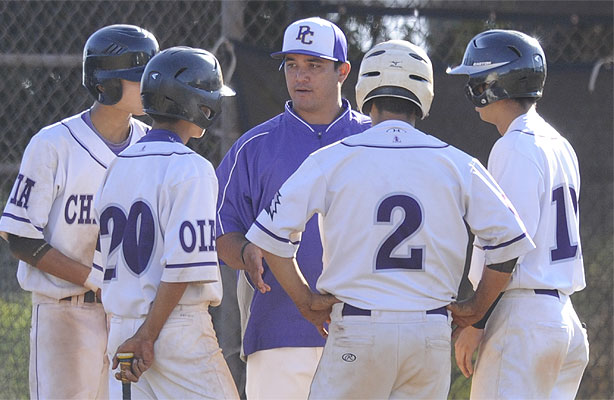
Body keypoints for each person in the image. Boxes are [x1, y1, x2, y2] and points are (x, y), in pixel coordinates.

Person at [244, 39, 536, 399]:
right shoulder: (459, 163)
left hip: (358, 324)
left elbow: (271, 238)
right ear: (424, 95)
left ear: (365, 89)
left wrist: (305, 300)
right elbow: (507, 245)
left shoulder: (332, 158)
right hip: (428, 331)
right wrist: (476, 308)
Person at [0, 24, 158, 399]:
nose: (148, 87)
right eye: (137, 79)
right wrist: (97, 279)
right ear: (105, 84)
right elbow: (21, 240)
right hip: (65, 313)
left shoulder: (152, 145)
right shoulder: (53, 144)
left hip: (131, 318)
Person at [215, 17, 371, 399]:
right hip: (277, 332)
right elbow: (219, 229)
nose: (300, 76)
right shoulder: (254, 146)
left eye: (314, 65)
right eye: (291, 64)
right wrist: (244, 250)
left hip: (366, 331)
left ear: (343, 71)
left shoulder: (374, 139)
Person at [447, 29, 589, 399]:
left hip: (522, 318)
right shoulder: (559, 143)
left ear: (493, 83)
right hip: (562, 319)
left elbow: (507, 246)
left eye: (475, 79)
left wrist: (477, 320)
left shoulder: (514, 145)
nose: (471, 89)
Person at [93, 46, 239, 399]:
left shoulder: (117, 165)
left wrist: (136, 331)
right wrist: (147, 334)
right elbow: (183, 268)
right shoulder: (191, 168)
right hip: (172, 328)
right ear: (197, 105)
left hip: (122, 327)